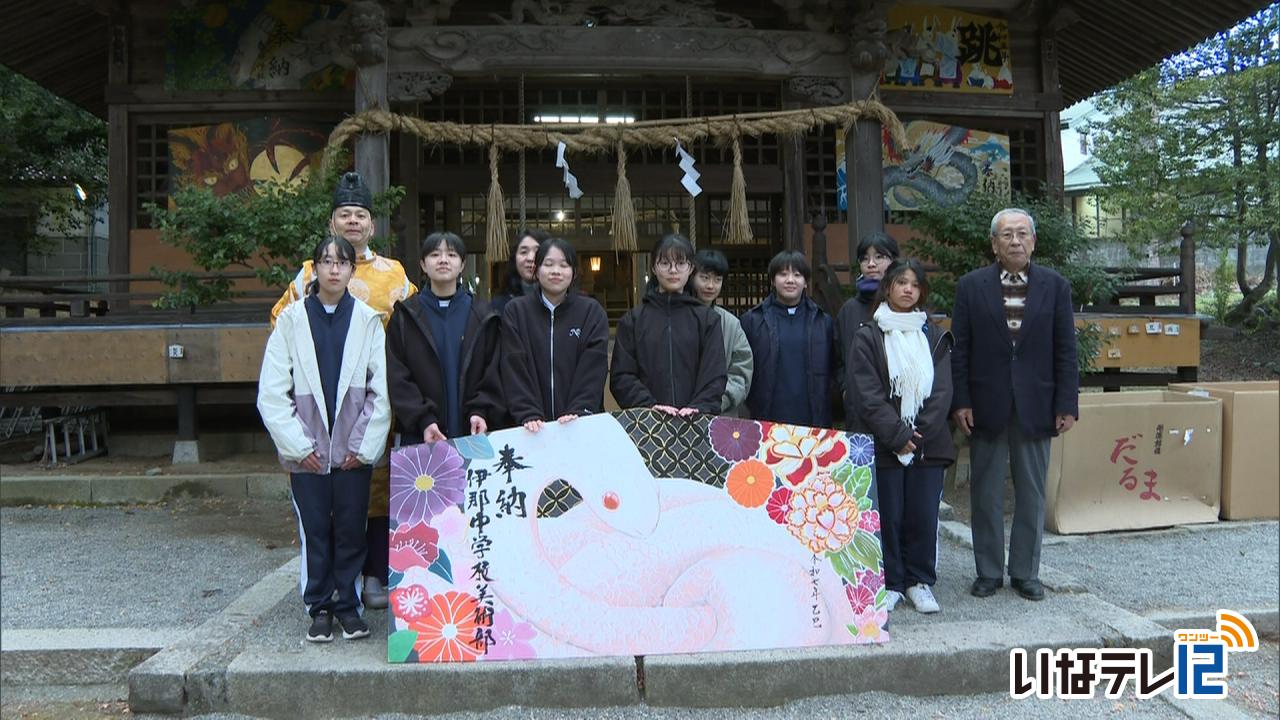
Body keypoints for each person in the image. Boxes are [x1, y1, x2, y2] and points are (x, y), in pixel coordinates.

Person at [269, 171, 415, 612]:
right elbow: (282, 322)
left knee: (379, 485)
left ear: (372, 226)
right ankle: (328, 583)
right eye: (345, 215)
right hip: (324, 400)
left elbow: (413, 329)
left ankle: (374, 572)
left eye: (361, 216)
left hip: (377, 397)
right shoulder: (310, 273)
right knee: (326, 493)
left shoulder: (395, 273)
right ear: (333, 223)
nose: (353, 222)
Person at [257, 236, 391, 643]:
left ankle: (348, 606)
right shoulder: (291, 320)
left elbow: (379, 391)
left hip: (351, 452)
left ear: (353, 271)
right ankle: (319, 606)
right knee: (315, 528)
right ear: (313, 269)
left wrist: (362, 448)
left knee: (351, 528)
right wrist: (299, 447)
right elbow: (272, 391)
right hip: (309, 452)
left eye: (342, 262)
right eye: (326, 261)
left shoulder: (368, 320)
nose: (334, 269)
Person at [951, 208, 1079, 602]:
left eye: (1023, 234)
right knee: (985, 492)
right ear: (994, 244)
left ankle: (1026, 572)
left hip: (1037, 403)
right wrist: (962, 400)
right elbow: (961, 351)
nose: (1015, 241)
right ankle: (988, 571)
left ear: (1034, 241)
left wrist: (1066, 403)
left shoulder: (1054, 287)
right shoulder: (971, 287)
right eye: (1006, 235)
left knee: (1032, 493)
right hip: (986, 403)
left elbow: (1065, 350)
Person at [848, 259, 954, 614]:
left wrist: (916, 435)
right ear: (888, 287)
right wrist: (896, 434)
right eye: (901, 283)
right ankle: (891, 581)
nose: (908, 289)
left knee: (922, 515)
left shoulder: (934, 335)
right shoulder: (869, 335)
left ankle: (919, 581)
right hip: (884, 443)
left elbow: (941, 391)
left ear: (921, 291)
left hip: (928, 444)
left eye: (914, 284)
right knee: (888, 515)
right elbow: (866, 392)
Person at [386, 232, 503, 445]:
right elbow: (397, 375)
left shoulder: (483, 315)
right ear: (423, 264)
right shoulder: (405, 316)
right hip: (420, 437)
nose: (443, 260)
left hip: (473, 433)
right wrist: (423, 419)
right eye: (434, 254)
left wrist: (481, 410)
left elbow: (493, 371)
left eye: (451, 254)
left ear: (462, 264)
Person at [610, 234, 727, 417]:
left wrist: (700, 406)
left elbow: (715, 374)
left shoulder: (707, 320)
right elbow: (621, 376)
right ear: (654, 268)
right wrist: (649, 406)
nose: (673, 270)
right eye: (665, 263)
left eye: (681, 263)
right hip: (647, 424)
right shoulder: (633, 320)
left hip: (696, 421)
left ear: (690, 269)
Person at [501, 237, 609, 432]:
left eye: (564, 265)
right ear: (536, 270)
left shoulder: (591, 312)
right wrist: (527, 412)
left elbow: (594, 367)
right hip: (530, 428)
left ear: (574, 272)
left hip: (578, 424)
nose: (556, 271)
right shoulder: (516, 312)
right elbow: (513, 366)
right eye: (548, 264)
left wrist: (579, 410)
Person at [740, 250, 838, 428]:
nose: (790, 280)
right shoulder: (753, 320)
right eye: (783, 274)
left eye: (797, 275)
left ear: (806, 282)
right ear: (772, 280)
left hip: (814, 419)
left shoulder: (823, 322)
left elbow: (834, 368)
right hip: (766, 417)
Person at [836, 232, 900, 426]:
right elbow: (838, 357)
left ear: (894, 262)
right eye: (865, 259)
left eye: (879, 257)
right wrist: (846, 390)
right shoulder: (850, 309)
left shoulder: (903, 305)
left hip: (898, 410)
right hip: (859, 411)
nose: (871, 264)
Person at [690, 248, 754, 416]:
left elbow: (741, 372)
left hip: (721, 414)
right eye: (704, 278)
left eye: (717, 280)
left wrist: (717, 401)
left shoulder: (731, 324)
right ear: (692, 277)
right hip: (680, 412)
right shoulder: (677, 318)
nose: (711, 285)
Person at [491, 228, 550, 317]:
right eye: (523, 252)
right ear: (514, 259)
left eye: (538, 251)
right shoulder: (500, 305)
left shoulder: (562, 302)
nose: (530, 258)